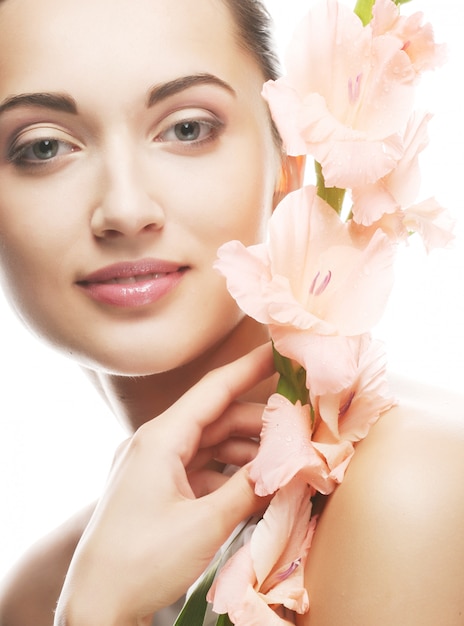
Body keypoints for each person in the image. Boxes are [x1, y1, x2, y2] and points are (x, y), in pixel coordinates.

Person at [0, 1, 463, 626]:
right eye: (44, 146)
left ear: (288, 161)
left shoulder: (409, 493)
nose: (126, 208)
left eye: (187, 128)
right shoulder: (53, 587)